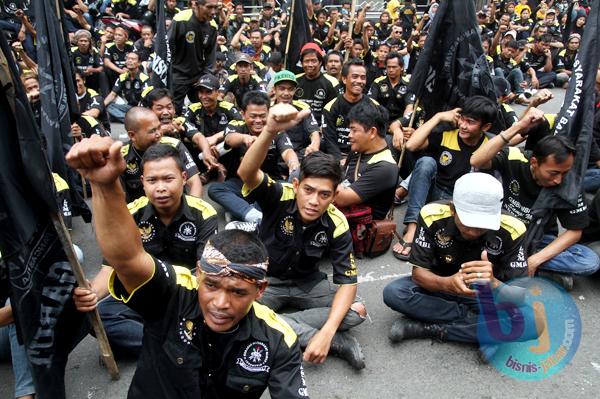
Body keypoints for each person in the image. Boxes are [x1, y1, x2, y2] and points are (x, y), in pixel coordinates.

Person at [66, 136, 309, 399]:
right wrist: (105, 185)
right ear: (199, 273)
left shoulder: (278, 340)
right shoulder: (174, 292)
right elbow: (124, 259)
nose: (220, 303)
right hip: (156, 293)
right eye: (212, 285)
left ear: (260, 290)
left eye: (238, 292)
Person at [236, 103, 367, 370]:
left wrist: (328, 329)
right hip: (267, 282)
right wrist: (270, 130)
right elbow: (246, 173)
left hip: (308, 285)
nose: (314, 201)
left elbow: (347, 282)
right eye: (308, 190)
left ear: (334, 195)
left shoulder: (336, 221)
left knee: (357, 311)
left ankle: (278, 324)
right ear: (296, 185)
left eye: (324, 194)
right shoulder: (280, 195)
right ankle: (324, 339)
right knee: (236, 309)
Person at [75, 144, 218, 355]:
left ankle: (156, 342)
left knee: (214, 312)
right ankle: (170, 342)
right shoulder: (130, 214)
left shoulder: (204, 213)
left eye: (168, 179)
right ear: (143, 183)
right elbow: (111, 268)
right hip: (143, 292)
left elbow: (204, 274)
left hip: (185, 295)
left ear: (183, 178)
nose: (160, 187)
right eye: (152, 180)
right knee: (98, 316)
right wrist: (92, 294)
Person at [382, 173, 537, 347]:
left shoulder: (514, 228)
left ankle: (429, 329)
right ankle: (482, 328)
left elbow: (519, 295)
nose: (472, 232)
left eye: (481, 226)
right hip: (441, 285)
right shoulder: (431, 215)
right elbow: (419, 274)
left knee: (534, 324)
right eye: (467, 223)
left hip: (486, 294)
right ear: (452, 209)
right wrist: (447, 284)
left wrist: (493, 282)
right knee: (394, 293)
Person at [471, 118, 600, 290]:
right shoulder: (514, 158)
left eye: (564, 173)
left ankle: (521, 266)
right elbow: (476, 160)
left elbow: (574, 232)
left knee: (588, 261)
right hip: (500, 232)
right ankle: (529, 270)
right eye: (553, 173)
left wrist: (533, 261)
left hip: (536, 240)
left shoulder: (568, 182)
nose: (558, 180)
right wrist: (517, 127)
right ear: (534, 163)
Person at [393, 96, 497, 261]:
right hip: (434, 193)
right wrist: (439, 116)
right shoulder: (448, 135)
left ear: (486, 126)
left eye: (470, 122)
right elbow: (412, 145)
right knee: (426, 162)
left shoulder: (489, 145)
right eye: (462, 119)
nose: (463, 125)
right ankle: (412, 227)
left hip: (461, 203)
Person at [208, 91, 299, 223]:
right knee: (215, 189)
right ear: (243, 114)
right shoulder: (235, 126)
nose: (258, 121)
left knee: (289, 189)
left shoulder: (276, 131)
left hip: (270, 183)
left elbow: (288, 152)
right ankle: (254, 216)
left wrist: (293, 164)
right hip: (240, 183)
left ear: (269, 114)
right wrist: (245, 138)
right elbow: (229, 139)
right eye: (253, 116)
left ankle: (239, 212)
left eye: (262, 116)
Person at [119, 107, 202, 202]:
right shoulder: (121, 157)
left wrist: (193, 212)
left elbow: (195, 182)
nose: (159, 134)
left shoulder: (175, 146)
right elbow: (118, 197)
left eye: (159, 127)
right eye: (152, 131)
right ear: (132, 135)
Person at [334, 100, 398, 220]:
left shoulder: (385, 168)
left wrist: (316, 174)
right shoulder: (357, 151)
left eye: (354, 130)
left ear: (372, 132)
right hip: (341, 217)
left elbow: (342, 198)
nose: (349, 135)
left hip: (359, 231)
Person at [322, 58, 380, 161]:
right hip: (337, 156)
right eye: (355, 77)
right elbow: (329, 140)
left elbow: (376, 138)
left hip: (363, 157)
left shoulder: (374, 106)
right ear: (344, 79)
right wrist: (339, 160)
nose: (359, 81)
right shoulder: (330, 107)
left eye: (363, 77)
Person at [168, 0, 219, 112]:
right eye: (209, 7)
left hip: (198, 75)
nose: (213, 11)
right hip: (178, 74)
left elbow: (210, 56)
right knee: (174, 110)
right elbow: (167, 46)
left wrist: (205, 77)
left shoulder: (212, 26)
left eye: (216, 7)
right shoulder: (181, 19)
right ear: (196, 5)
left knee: (204, 109)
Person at [271, 70, 321, 160]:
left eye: (290, 89)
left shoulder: (303, 108)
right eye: (282, 88)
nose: (286, 93)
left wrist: (314, 145)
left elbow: (314, 132)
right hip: (274, 155)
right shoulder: (267, 109)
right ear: (274, 90)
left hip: (299, 154)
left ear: (295, 90)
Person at [294, 43, 340, 123]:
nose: (310, 65)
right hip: (297, 126)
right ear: (301, 63)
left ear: (320, 62)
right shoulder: (294, 80)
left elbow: (334, 110)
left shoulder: (332, 82)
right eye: (306, 61)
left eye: (314, 61)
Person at [104, 52, 150, 122]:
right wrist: (100, 107)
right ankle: (130, 120)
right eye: (128, 59)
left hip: (141, 108)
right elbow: (112, 94)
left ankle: (128, 119)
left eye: (133, 59)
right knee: (109, 106)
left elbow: (145, 99)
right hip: (129, 107)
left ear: (139, 63)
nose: (130, 61)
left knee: (112, 116)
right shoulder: (123, 77)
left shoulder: (144, 78)